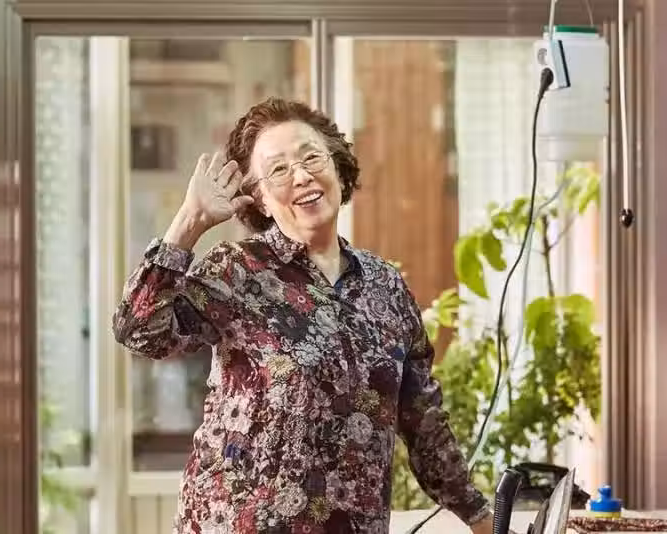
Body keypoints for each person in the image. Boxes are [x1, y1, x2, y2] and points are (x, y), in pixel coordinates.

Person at [112, 97, 495, 534]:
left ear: (337, 167)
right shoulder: (236, 270)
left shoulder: (385, 286)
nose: (301, 175)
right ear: (258, 199)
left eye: (311, 157)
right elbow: (138, 330)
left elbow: (424, 424)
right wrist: (190, 221)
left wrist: (481, 519)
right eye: (278, 169)